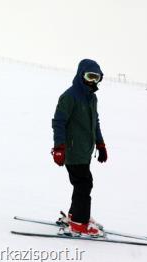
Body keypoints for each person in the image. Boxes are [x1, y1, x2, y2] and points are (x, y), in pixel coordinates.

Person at [51, 59, 108, 237]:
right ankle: (79, 223)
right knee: (84, 184)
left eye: (96, 78)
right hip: (72, 150)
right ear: (80, 75)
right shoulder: (69, 96)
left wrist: (100, 143)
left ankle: (76, 215)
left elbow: (95, 122)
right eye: (90, 76)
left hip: (84, 151)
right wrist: (59, 147)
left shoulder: (92, 97)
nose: (92, 81)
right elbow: (58, 122)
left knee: (81, 184)